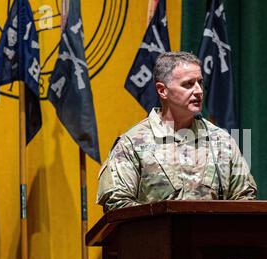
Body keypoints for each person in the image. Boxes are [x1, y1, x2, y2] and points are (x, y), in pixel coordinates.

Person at [97, 51, 257, 212]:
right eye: (188, 84)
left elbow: (244, 198)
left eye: (200, 83)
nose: (199, 91)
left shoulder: (222, 141)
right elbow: (117, 205)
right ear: (162, 90)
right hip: (155, 236)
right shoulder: (132, 144)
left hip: (213, 236)